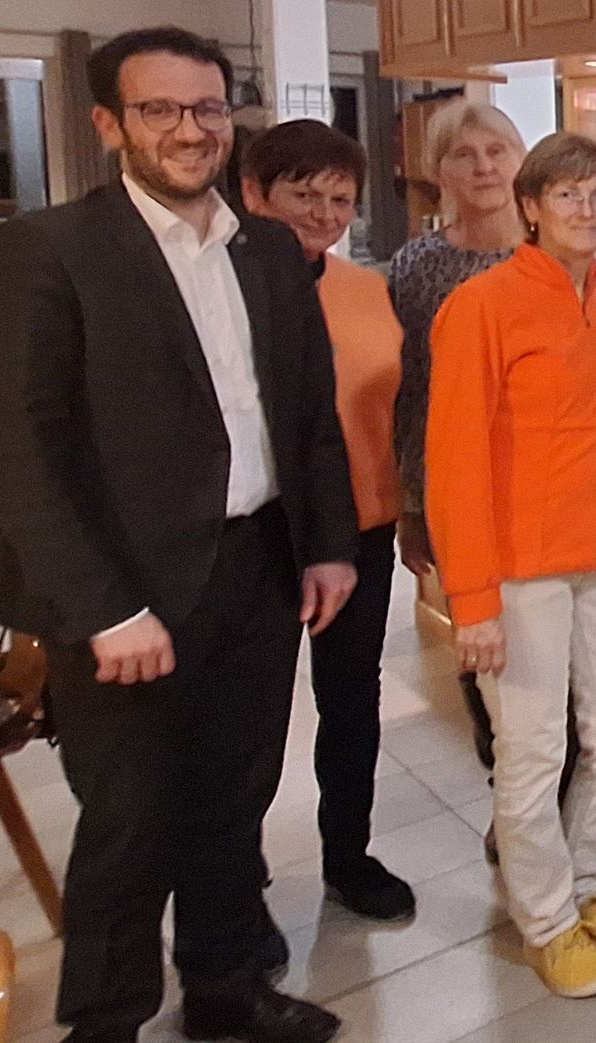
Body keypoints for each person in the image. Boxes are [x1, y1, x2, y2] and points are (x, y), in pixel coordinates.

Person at [0, 27, 356, 1043]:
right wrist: (105, 609)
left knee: (236, 794)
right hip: (125, 588)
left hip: (258, 566)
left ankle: (225, 987)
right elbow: (18, 452)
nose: (189, 129)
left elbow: (307, 414)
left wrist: (327, 544)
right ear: (110, 124)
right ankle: (106, 1020)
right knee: (130, 821)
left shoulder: (269, 248)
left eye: (208, 108)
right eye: (160, 109)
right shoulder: (47, 250)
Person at [426, 132, 596, 998]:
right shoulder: (482, 306)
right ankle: (547, 923)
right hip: (519, 568)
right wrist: (471, 599)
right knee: (530, 749)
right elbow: (452, 460)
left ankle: (587, 886)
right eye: (567, 195)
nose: (587, 211)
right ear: (530, 207)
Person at [240, 119, 416, 922]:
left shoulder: (367, 290)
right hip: (262, 531)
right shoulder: (225, 290)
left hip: (362, 525)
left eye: (339, 199)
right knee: (253, 713)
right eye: (302, 193)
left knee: (351, 701)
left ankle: (349, 854)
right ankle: (236, 874)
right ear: (256, 193)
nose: (322, 212)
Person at [388, 99, 527, 797]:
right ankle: (507, 798)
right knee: (485, 656)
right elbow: (411, 392)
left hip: (546, 489)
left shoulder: (555, 253)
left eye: (496, 151)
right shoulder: (418, 266)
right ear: (438, 171)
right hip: (460, 493)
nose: (483, 168)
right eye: (464, 155)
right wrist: (412, 505)